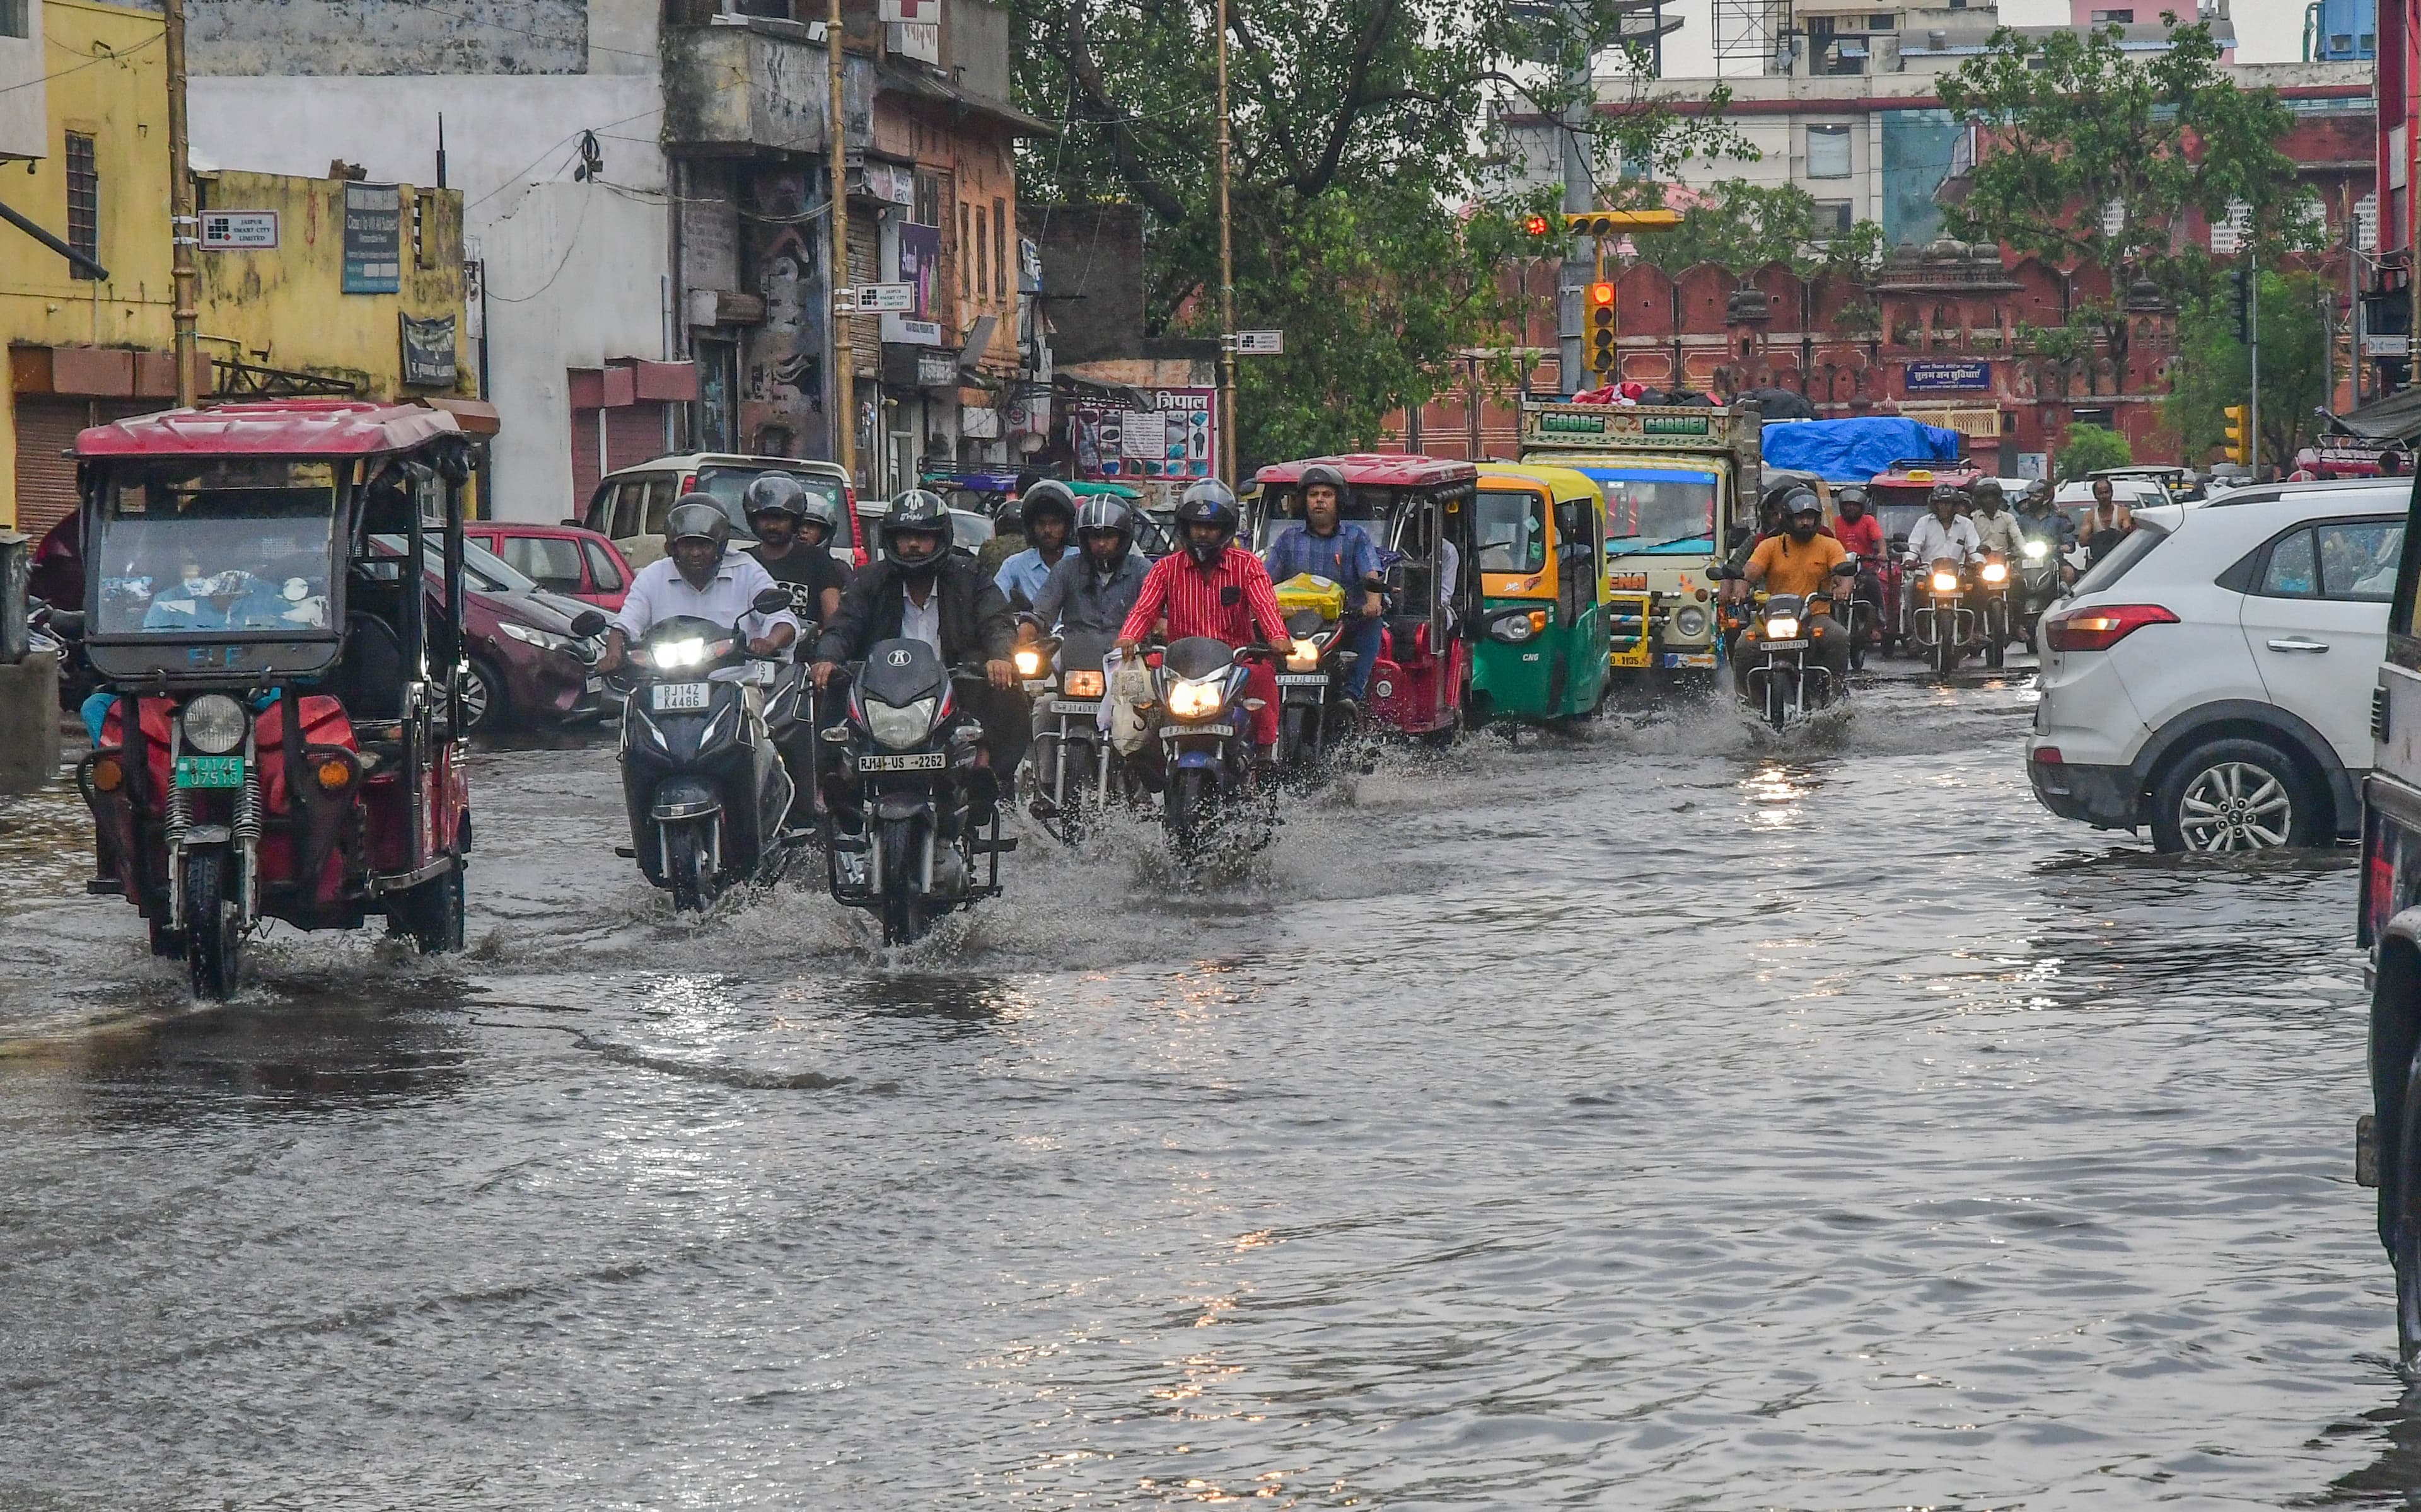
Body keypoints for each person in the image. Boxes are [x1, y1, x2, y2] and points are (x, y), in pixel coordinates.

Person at [813, 490, 1023, 810]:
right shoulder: (871, 579)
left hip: (954, 687)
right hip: (881, 691)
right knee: (834, 683)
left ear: (941, 539)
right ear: (890, 539)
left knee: (1000, 680)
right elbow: (843, 625)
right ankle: (840, 779)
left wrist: (1000, 657)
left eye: (923, 537)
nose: (913, 545)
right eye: (905, 537)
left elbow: (997, 620)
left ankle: (984, 769)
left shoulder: (971, 575)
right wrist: (827, 659)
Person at [1115, 480, 1291, 769]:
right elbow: (1145, 609)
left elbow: (1265, 605)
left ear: (1226, 529)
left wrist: (1277, 637)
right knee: (1137, 684)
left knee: (1262, 675)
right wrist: (1129, 637)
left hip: (1236, 663)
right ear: (1185, 527)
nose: (1203, 534)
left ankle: (1264, 754)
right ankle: (1142, 763)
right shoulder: (1165, 568)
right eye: (1197, 526)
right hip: (1179, 667)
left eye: (1211, 527)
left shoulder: (1247, 565)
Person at [601, 495, 799, 673]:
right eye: (687, 545)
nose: (695, 553)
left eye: (703, 545)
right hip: (663, 681)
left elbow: (782, 619)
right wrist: (614, 655)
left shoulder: (746, 569)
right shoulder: (653, 575)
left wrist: (769, 642)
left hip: (735, 684)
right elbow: (625, 625)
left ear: (720, 546)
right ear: (672, 548)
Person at [1261, 462, 1386, 713]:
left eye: (1327, 495)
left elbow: (1370, 572)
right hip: (1293, 624)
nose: (1319, 501)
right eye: (1313, 495)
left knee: (1374, 627)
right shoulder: (1288, 538)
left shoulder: (1355, 536)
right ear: (1304, 501)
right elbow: (1263, 580)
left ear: (1338, 501)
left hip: (1343, 622)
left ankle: (1351, 696)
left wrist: (1373, 603)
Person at [1740, 490, 1852, 688]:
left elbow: (1844, 573)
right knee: (1744, 645)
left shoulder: (1830, 545)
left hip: (1815, 616)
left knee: (1839, 637)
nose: (1806, 523)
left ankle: (1835, 689)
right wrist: (1741, 589)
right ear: (1788, 519)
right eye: (1800, 518)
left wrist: (1843, 588)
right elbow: (1750, 573)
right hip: (1773, 618)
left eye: (1810, 517)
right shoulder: (1770, 545)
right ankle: (1747, 698)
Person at [1025, 497, 1151, 638]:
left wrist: (1160, 624)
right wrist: (1028, 628)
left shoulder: (1142, 570)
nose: (1102, 543)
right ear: (1085, 539)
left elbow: (1158, 613)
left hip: (1130, 654)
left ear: (1123, 538)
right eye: (1095, 537)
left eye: (1109, 536)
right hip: (1075, 654)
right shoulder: (1066, 569)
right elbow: (1042, 610)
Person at [742, 473, 851, 633]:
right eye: (765, 518)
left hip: (802, 654)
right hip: (748, 652)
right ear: (753, 520)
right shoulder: (743, 561)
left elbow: (833, 620)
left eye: (781, 519)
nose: (772, 526)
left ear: (795, 520)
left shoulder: (817, 560)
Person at [993, 478, 1078, 609]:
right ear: (1031, 527)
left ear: (1067, 526)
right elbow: (995, 602)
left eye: (1055, 523)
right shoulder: (1015, 565)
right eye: (1041, 523)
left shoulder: (1083, 561)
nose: (1047, 530)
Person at [1830, 485, 1886, 648]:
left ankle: (1880, 614)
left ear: (1862, 506)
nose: (1850, 508)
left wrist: (1882, 553)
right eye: (1847, 505)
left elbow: (1879, 540)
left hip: (1864, 566)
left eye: (1854, 505)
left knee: (1873, 583)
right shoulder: (1835, 523)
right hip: (1841, 568)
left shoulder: (1868, 521)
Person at [1905, 482, 1982, 568]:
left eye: (1948, 504)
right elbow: (1914, 546)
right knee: (1909, 582)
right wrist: (1909, 559)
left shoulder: (1966, 524)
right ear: (1935, 505)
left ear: (1955, 505)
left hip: (1958, 574)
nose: (1944, 507)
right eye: (1940, 504)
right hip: (1927, 573)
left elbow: (1974, 548)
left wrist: (1979, 561)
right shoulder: (1924, 522)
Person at [1971, 478, 2028, 562]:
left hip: (2003, 561)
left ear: (1998, 499)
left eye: (1992, 497)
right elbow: (1970, 543)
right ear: (1980, 500)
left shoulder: (2008, 517)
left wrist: (2024, 550)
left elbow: (2017, 536)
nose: (1989, 500)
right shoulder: (1972, 518)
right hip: (1979, 562)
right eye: (1985, 497)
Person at [2082, 479, 2131, 566]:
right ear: (2095, 496)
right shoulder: (2090, 516)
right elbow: (2082, 541)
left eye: (2106, 492)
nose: (2104, 496)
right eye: (2100, 493)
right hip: (2098, 563)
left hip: (2119, 561)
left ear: (2112, 493)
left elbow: (2127, 530)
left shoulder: (2123, 512)